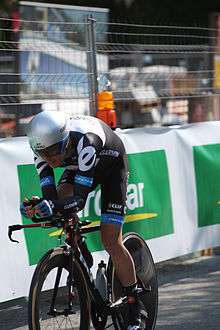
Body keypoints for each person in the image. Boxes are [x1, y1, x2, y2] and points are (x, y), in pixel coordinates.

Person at [20, 110, 141, 329]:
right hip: (80, 167)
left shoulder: (87, 141)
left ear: (65, 141)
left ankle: (134, 303)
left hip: (111, 165)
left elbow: (79, 201)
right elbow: (51, 198)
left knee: (111, 241)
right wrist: (38, 206)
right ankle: (80, 248)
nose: (51, 159)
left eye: (54, 151)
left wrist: (53, 205)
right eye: (44, 154)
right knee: (58, 202)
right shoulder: (43, 151)